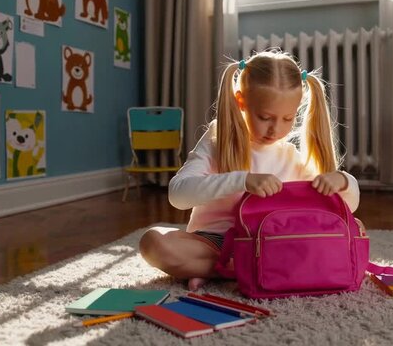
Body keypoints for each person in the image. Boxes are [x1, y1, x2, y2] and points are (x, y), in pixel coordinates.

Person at [139, 50, 360, 291]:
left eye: (288, 118)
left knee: (356, 229)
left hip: (269, 243)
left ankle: (220, 271)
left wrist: (343, 181)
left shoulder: (291, 157)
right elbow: (178, 195)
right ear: (241, 101)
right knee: (153, 243)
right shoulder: (217, 138)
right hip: (213, 242)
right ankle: (247, 270)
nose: (275, 129)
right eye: (265, 117)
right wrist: (242, 181)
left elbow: (346, 208)